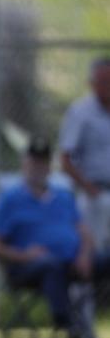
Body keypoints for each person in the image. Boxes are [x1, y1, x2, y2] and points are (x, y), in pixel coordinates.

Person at [0, 137, 109, 338]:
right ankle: (66, 325)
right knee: (51, 265)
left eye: (42, 162)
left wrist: (85, 255)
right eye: (34, 162)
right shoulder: (11, 199)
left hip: (73, 261)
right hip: (29, 267)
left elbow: (85, 234)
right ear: (25, 164)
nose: (38, 167)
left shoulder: (63, 197)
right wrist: (23, 256)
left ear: (49, 166)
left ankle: (82, 323)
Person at [60, 57, 110, 254]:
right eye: (103, 81)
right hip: (94, 195)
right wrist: (90, 189)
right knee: (94, 251)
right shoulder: (81, 113)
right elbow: (65, 159)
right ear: (92, 83)